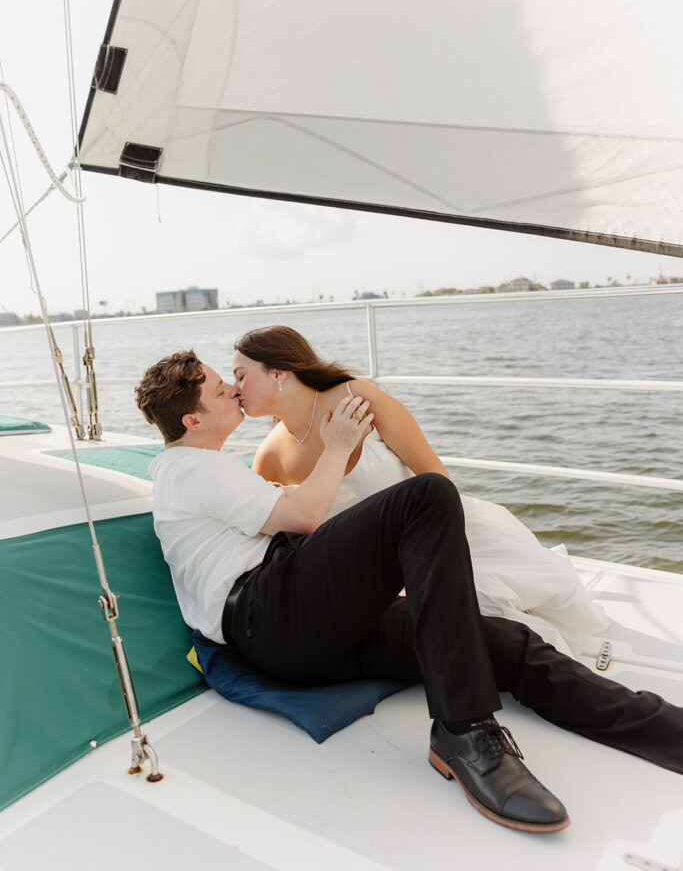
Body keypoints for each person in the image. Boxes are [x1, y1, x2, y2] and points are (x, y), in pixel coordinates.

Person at [136, 350, 683, 837]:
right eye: (218, 387)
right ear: (194, 419)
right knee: (424, 497)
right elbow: (302, 518)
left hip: (304, 622)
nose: (232, 389)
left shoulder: (207, 471)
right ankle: (465, 732)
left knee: (505, 643)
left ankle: (662, 727)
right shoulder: (189, 468)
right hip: (271, 616)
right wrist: (340, 446)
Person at [233, 326, 608, 656]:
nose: (235, 390)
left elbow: (434, 473)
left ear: (278, 372)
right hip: (374, 574)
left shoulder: (356, 397)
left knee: (517, 601)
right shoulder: (268, 457)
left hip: (436, 534)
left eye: (241, 375)